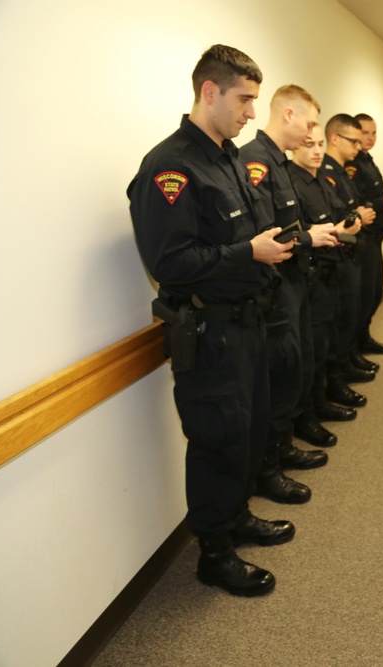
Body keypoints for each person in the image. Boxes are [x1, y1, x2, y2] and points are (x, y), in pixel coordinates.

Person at [128, 44, 293, 597]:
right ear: (209, 91)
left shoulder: (225, 156)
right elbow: (169, 262)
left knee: (245, 432)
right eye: (245, 100)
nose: (251, 113)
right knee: (217, 439)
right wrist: (249, 254)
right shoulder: (170, 166)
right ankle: (214, 554)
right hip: (209, 333)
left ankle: (237, 515)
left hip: (246, 324)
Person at [240, 85, 335, 505]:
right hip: (275, 288)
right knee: (279, 375)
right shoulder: (256, 163)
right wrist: (309, 238)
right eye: (311, 122)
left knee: (296, 367)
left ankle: (281, 448)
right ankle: (267, 469)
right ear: (290, 114)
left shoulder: (276, 163)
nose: (313, 133)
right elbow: (263, 236)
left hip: (292, 283)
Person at [288, 125, 364, 429]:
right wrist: (338, 231)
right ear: (295, 146)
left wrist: (349, 224)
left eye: (320, 144)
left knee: (328, 339)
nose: (317, 151)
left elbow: (336, 214)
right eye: (310, 145)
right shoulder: (292, 181)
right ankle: (308, 414)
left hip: (331, 271)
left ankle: (322, 399)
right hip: (311, 276)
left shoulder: (320, 179)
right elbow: (301, 232)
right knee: (312, 349)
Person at [321, 114, 377, 407]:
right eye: (354, 140)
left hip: (351, 250)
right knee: (338, 321)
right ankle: (336, 377)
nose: (359, 145)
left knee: (353, 311)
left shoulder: (344, 170)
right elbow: (334, 215)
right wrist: (357, 215)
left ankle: (345, 362)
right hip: (336, 256)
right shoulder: (326, 172)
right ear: (335, 138)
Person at [346, 113, 383, 358]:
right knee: (363, 295)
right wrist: (382, 203)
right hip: (363, 237)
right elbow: (356, 202)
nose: (370, 138)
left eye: (374, 133)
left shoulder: (367, 160)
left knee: (373, 293)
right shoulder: (353, 164)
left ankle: (363, 337)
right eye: (365, 133)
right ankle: (354, 346)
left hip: (376, 237)